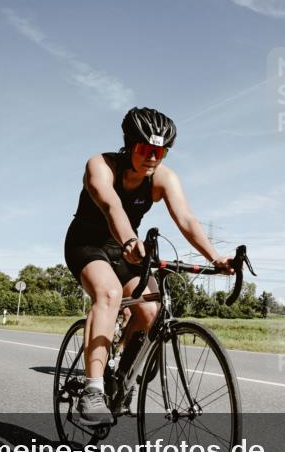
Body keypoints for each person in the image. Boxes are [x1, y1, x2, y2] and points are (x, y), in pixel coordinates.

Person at [64, 107, 233, 425]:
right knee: (110, 294)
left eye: (161, 151)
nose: (153, 157)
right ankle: (93, 389)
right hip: (86, 244)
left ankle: (122, 381)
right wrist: (129, 240)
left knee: (152, 312)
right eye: (146, 149)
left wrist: (215, 257)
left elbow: (186, 219)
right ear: (130, 145)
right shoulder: (100, 166)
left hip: (127, 249)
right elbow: (111, 205)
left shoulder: (164, 178)